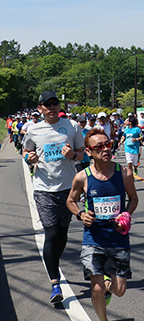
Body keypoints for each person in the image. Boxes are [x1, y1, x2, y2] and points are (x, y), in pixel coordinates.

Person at [66, 129, 138, 321]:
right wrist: (81, 215)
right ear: (89, 151)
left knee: (120, 290)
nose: (105, 149)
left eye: (108, 144)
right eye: (99, 147)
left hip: (118, 239)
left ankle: (109, 284)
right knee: (96, 288)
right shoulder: (82, 177)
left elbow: (133, 199)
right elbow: (70, 201)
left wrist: (126, 216)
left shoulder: (124, 173)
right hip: (93, 238)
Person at [22, 91, 84, 303]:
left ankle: (52, 262)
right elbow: (26, 152)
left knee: (62, 233)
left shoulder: (72, 126)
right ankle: (55, 284)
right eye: (46, 105)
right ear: (40, 108)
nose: (51, 108)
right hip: (43, 188)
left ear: (59, 106)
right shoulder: (33, 129)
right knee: (51, 232)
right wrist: (29, 159)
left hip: (68, 188)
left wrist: (73, 156)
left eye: (54, 103)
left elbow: (81, 153)